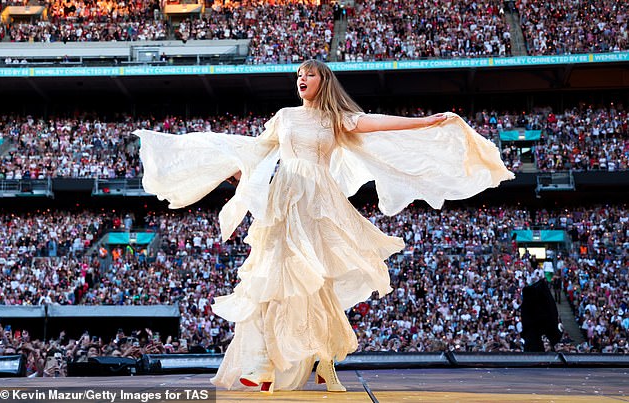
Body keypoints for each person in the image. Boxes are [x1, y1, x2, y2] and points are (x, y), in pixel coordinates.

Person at [136, 60, 514, 393]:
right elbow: (257, 150)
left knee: (321, 284)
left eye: (309, 74)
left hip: (321, 202)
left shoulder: (335, 119)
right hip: (286, 200)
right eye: (298, 75)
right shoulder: (284, 117)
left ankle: (326, 363)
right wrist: (235, 171)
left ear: (323, 80)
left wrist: (426, 121)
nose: (301, 79)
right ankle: (267, 361)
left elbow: (376, 123)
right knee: (275, 276)